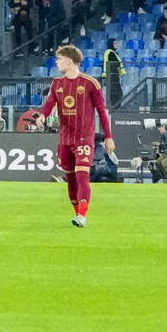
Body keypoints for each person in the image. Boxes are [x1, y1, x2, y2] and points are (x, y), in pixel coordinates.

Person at [30, 44, 114, 227]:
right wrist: (43, 116)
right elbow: (50, 103)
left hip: (84, 137)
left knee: (82, 174)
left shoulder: (91, 83)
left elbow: (101, 110)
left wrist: (108, 136)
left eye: (59, 59)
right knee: (70, 178)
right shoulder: (57, 83)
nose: (57, 62)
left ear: (69, 61)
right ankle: (77, 215)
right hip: (64, 138)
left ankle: (83, 216)